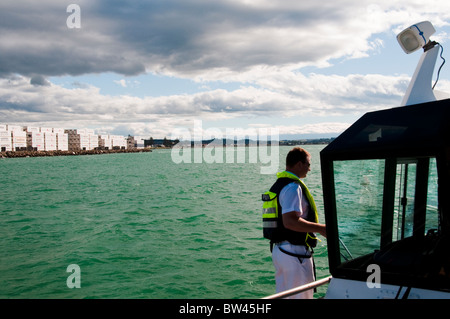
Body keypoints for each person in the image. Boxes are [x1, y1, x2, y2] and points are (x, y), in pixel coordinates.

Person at [267, 147, 326, 299]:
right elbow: (290, 221)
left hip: (281, 251)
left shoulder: (278, 185)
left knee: (285, 296)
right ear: (299, 164)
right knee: (302, 296)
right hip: (294, 253)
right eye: (308, 164)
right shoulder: (292, 187)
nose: (309, 168)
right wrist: (321, 229)